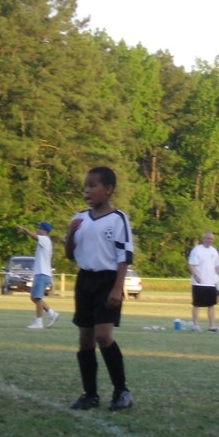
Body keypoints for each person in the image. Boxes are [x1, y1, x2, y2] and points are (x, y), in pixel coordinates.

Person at [64, 166, 134, 412]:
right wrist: (70, 233)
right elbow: (69, 254)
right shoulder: (80, 218)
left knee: (103, 335)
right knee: (85, 339)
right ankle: (90, 394)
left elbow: (124, 257)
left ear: (108, 189)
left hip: (108, 281)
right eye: (86, 186)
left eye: (93, 186)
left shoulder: (118, 219)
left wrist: (118, 288)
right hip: (84, 280)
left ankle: (121, 390)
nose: (87, 190)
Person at [18, 221, 60, 329]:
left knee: (37, 297)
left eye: (39, 228)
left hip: (42, 273)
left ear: (44, 230)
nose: (38, 230)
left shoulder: (45, 239)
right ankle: (52, 314)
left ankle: (39, 322)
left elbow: (34, 237)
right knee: (34, 297)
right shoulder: (44, 241)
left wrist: (25, 230)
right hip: (41, 273)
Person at [188, 231, 219, 332]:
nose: (209, 240)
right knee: (196, 304)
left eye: (211, 239)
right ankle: (196, 325)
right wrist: (196, 275)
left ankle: (212, 326)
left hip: (210, 283)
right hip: (199, 283)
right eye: (208, 238)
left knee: (211, 305)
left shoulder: (214, 251)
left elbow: (217, 266)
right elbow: (191, 265)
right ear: (203, 239)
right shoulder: (197, 250)